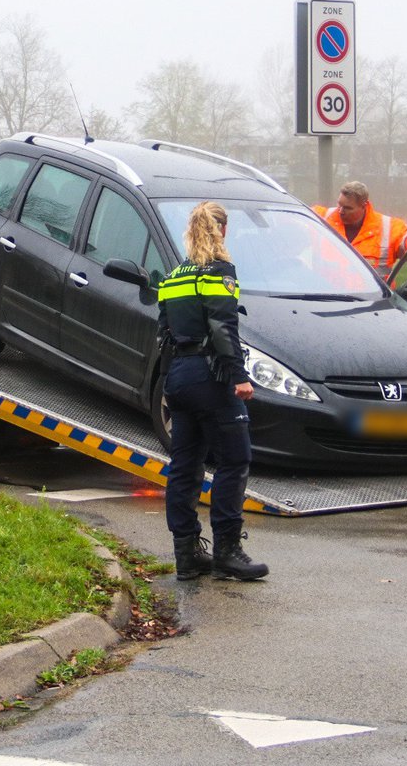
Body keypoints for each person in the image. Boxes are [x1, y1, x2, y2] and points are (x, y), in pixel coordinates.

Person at [156, 200, 269, 582]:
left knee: (185, 466)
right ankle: (228, 551)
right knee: (234, 460)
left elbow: (164, 332)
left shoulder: (173, 276)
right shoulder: (219, 272)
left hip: (179, 376)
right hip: (212, 375)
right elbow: (223, 327)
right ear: (221, 230)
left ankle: (187, 555)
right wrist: (238, 375)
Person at [313, 181, 407, 275]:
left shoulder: (390, 227)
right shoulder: (321, 217)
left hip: (375, 304)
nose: (340, 211)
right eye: (339, 205)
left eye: (348, 208)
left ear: (364, 206)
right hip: (327, 299)